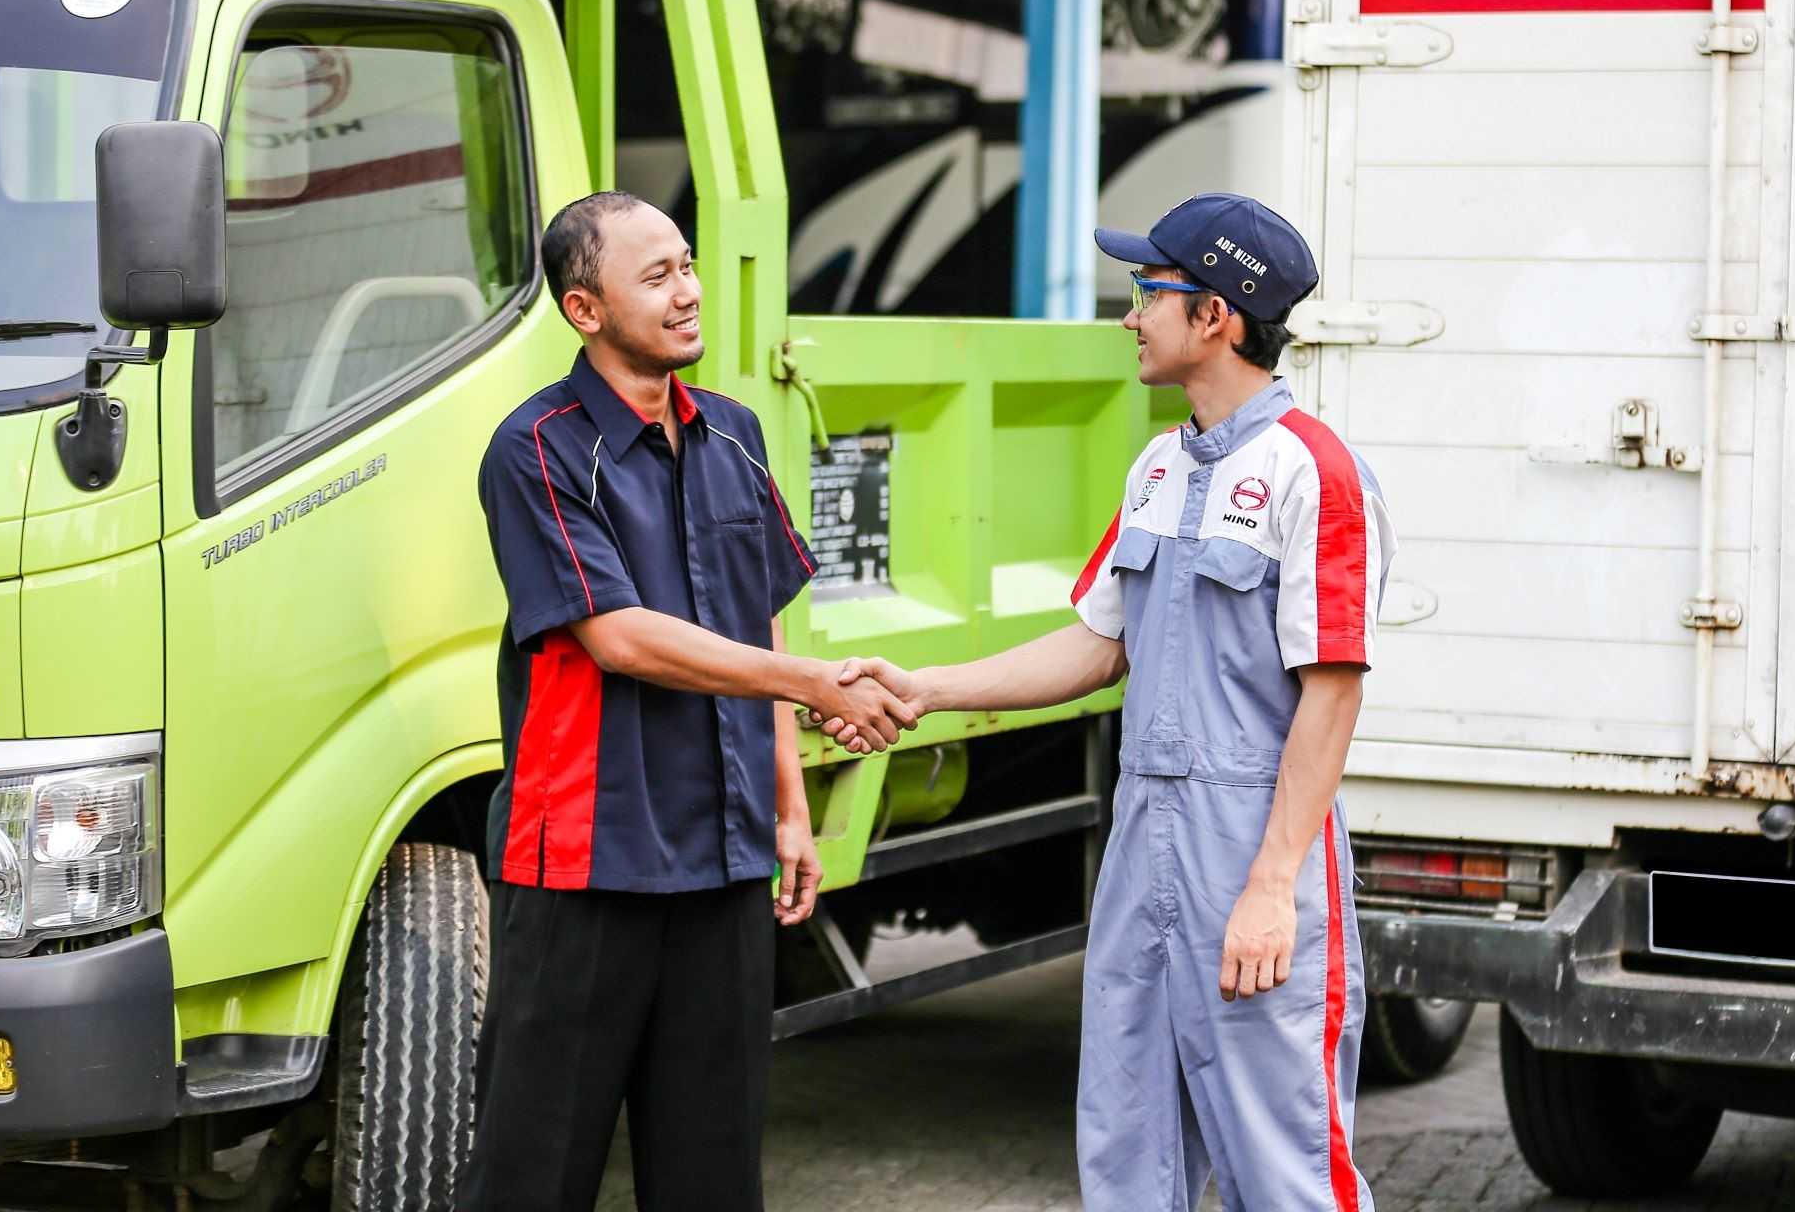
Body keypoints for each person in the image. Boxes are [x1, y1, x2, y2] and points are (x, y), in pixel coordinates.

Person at [829, 193, 1391, 1212]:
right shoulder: (1158, 465)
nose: (1129, 315)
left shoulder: (1313, 473)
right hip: (1144, 839)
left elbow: (1331, 694)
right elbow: (1097, 644)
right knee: (1128, 1150)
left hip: (1252, 843)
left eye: (1148, 291)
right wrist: (926, 689)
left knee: (1285, 1165)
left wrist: (1270, 887)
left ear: (1214, 315)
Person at [458, 190, 917, 1211]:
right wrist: (812, 686)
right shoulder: (534, 449)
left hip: (723, 858)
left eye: (688, 266)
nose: (688, 292)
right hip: (586, 862)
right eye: (657, 276)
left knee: (711, 1171)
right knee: (533, 1174)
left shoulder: (736, 434)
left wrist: (789, 809)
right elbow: (617, 637)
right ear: (585, 310)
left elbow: (763, 620)